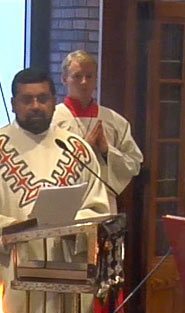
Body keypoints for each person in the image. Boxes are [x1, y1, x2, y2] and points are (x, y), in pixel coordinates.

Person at [0, 68, 109, 313]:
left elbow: (99, 209)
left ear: (54, 100)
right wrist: (15, 227)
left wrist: (73, 226)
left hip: (63, 267)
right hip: (10, 268)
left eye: (42, 98)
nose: (35, 106)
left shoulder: (76, 149)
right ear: (13, 104)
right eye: (26, 99)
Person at [51, 50, 143, 213]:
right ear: (64, 79)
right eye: (77, 76)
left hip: (103, 203)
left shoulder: (114, 121)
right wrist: (83, 149)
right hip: (64, 203)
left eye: (89, 76)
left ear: (96, 79)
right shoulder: (52, 120)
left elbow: (134, 164)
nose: (84, 82)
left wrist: (107, 151)